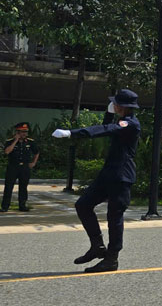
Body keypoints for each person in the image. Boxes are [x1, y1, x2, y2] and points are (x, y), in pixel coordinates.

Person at [51, 89, 141, 273]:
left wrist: (71, 133)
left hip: (121, 176)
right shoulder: (122, 122)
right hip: (108, 174)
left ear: (122, 106)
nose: (113, 105)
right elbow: (108, 128)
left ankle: (111, 259)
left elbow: (105, 130)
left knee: (114, 217)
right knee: (83, 205)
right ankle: (97, 246)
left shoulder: (130, 123)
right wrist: (108, 114)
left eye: (115, 103)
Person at [3, 122, 38, 212]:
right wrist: (15, 141)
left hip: (25, 167)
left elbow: (36, 152)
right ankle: (5, 206)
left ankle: (22, 206)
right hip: (13, 167)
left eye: (26, 132)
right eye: (22, 132)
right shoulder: (10, 141)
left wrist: (33, 162)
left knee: (23, 187)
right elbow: (7, 152)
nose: (24, 134)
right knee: (8, 187)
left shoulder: (30, 142)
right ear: (17, 132)